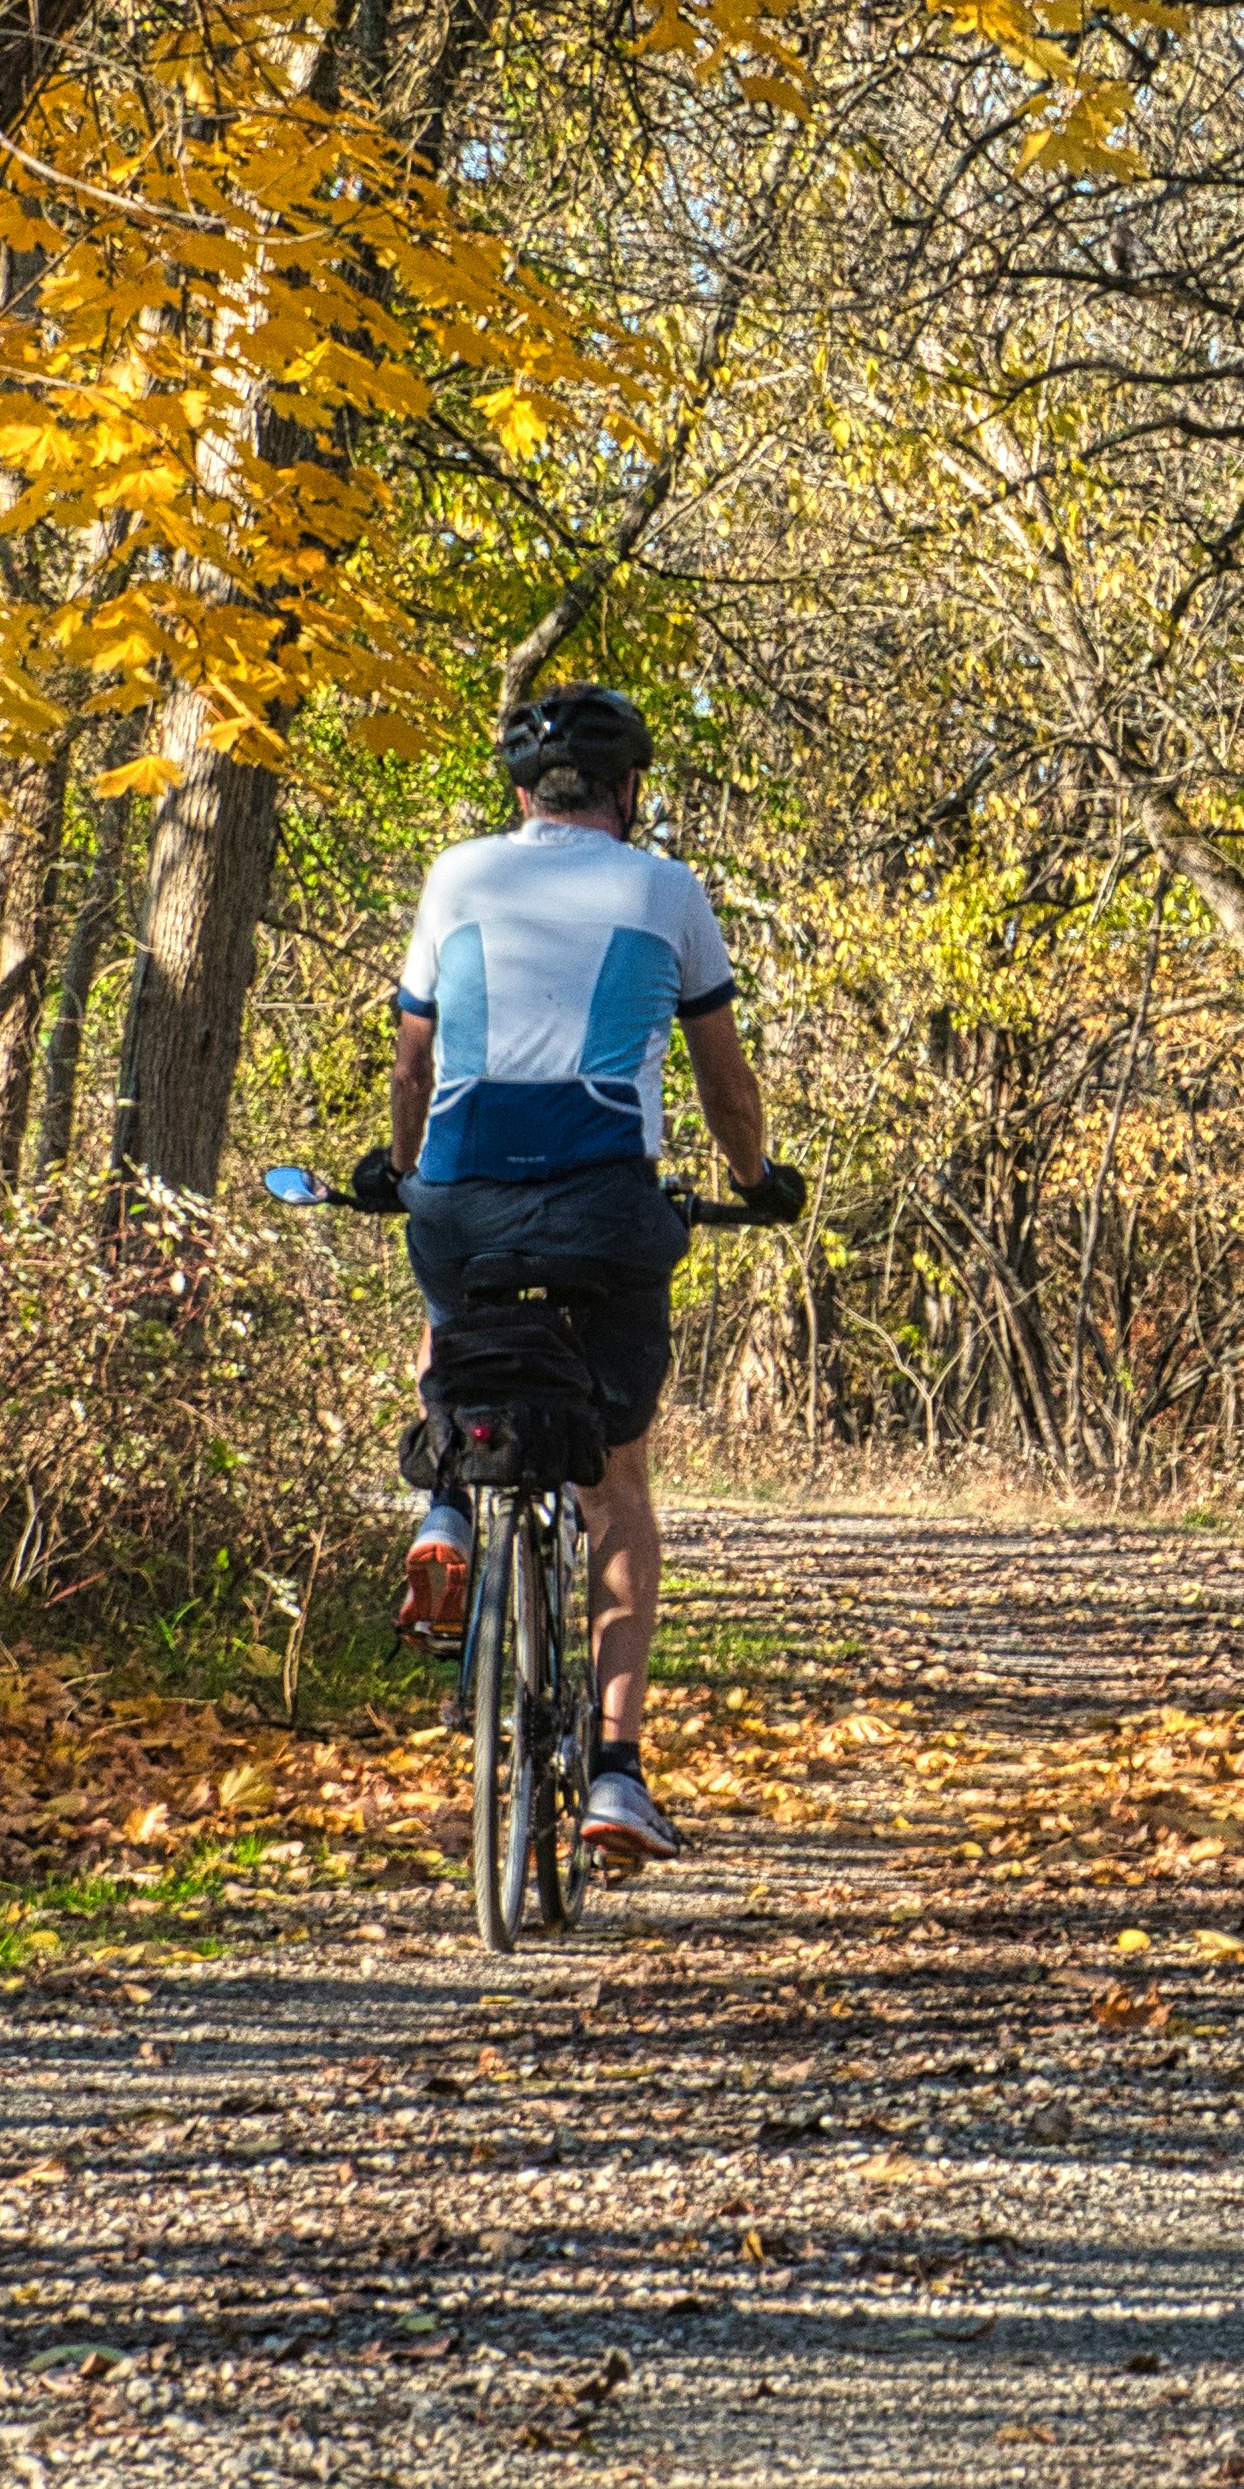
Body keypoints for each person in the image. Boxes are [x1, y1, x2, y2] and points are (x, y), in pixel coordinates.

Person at [351, 685, 799, 1867]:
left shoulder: (458, 876)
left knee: (453, 1317)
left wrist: (401, 1170)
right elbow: (724, 1085)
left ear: (518, 794)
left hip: (462, 1197)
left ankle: (444, 1500)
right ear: (628, 792)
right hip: (607, 1205)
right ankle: (613, 1772)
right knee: (616, 1482)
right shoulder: (668, 891)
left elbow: (415, 1066)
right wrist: (755, 1181)